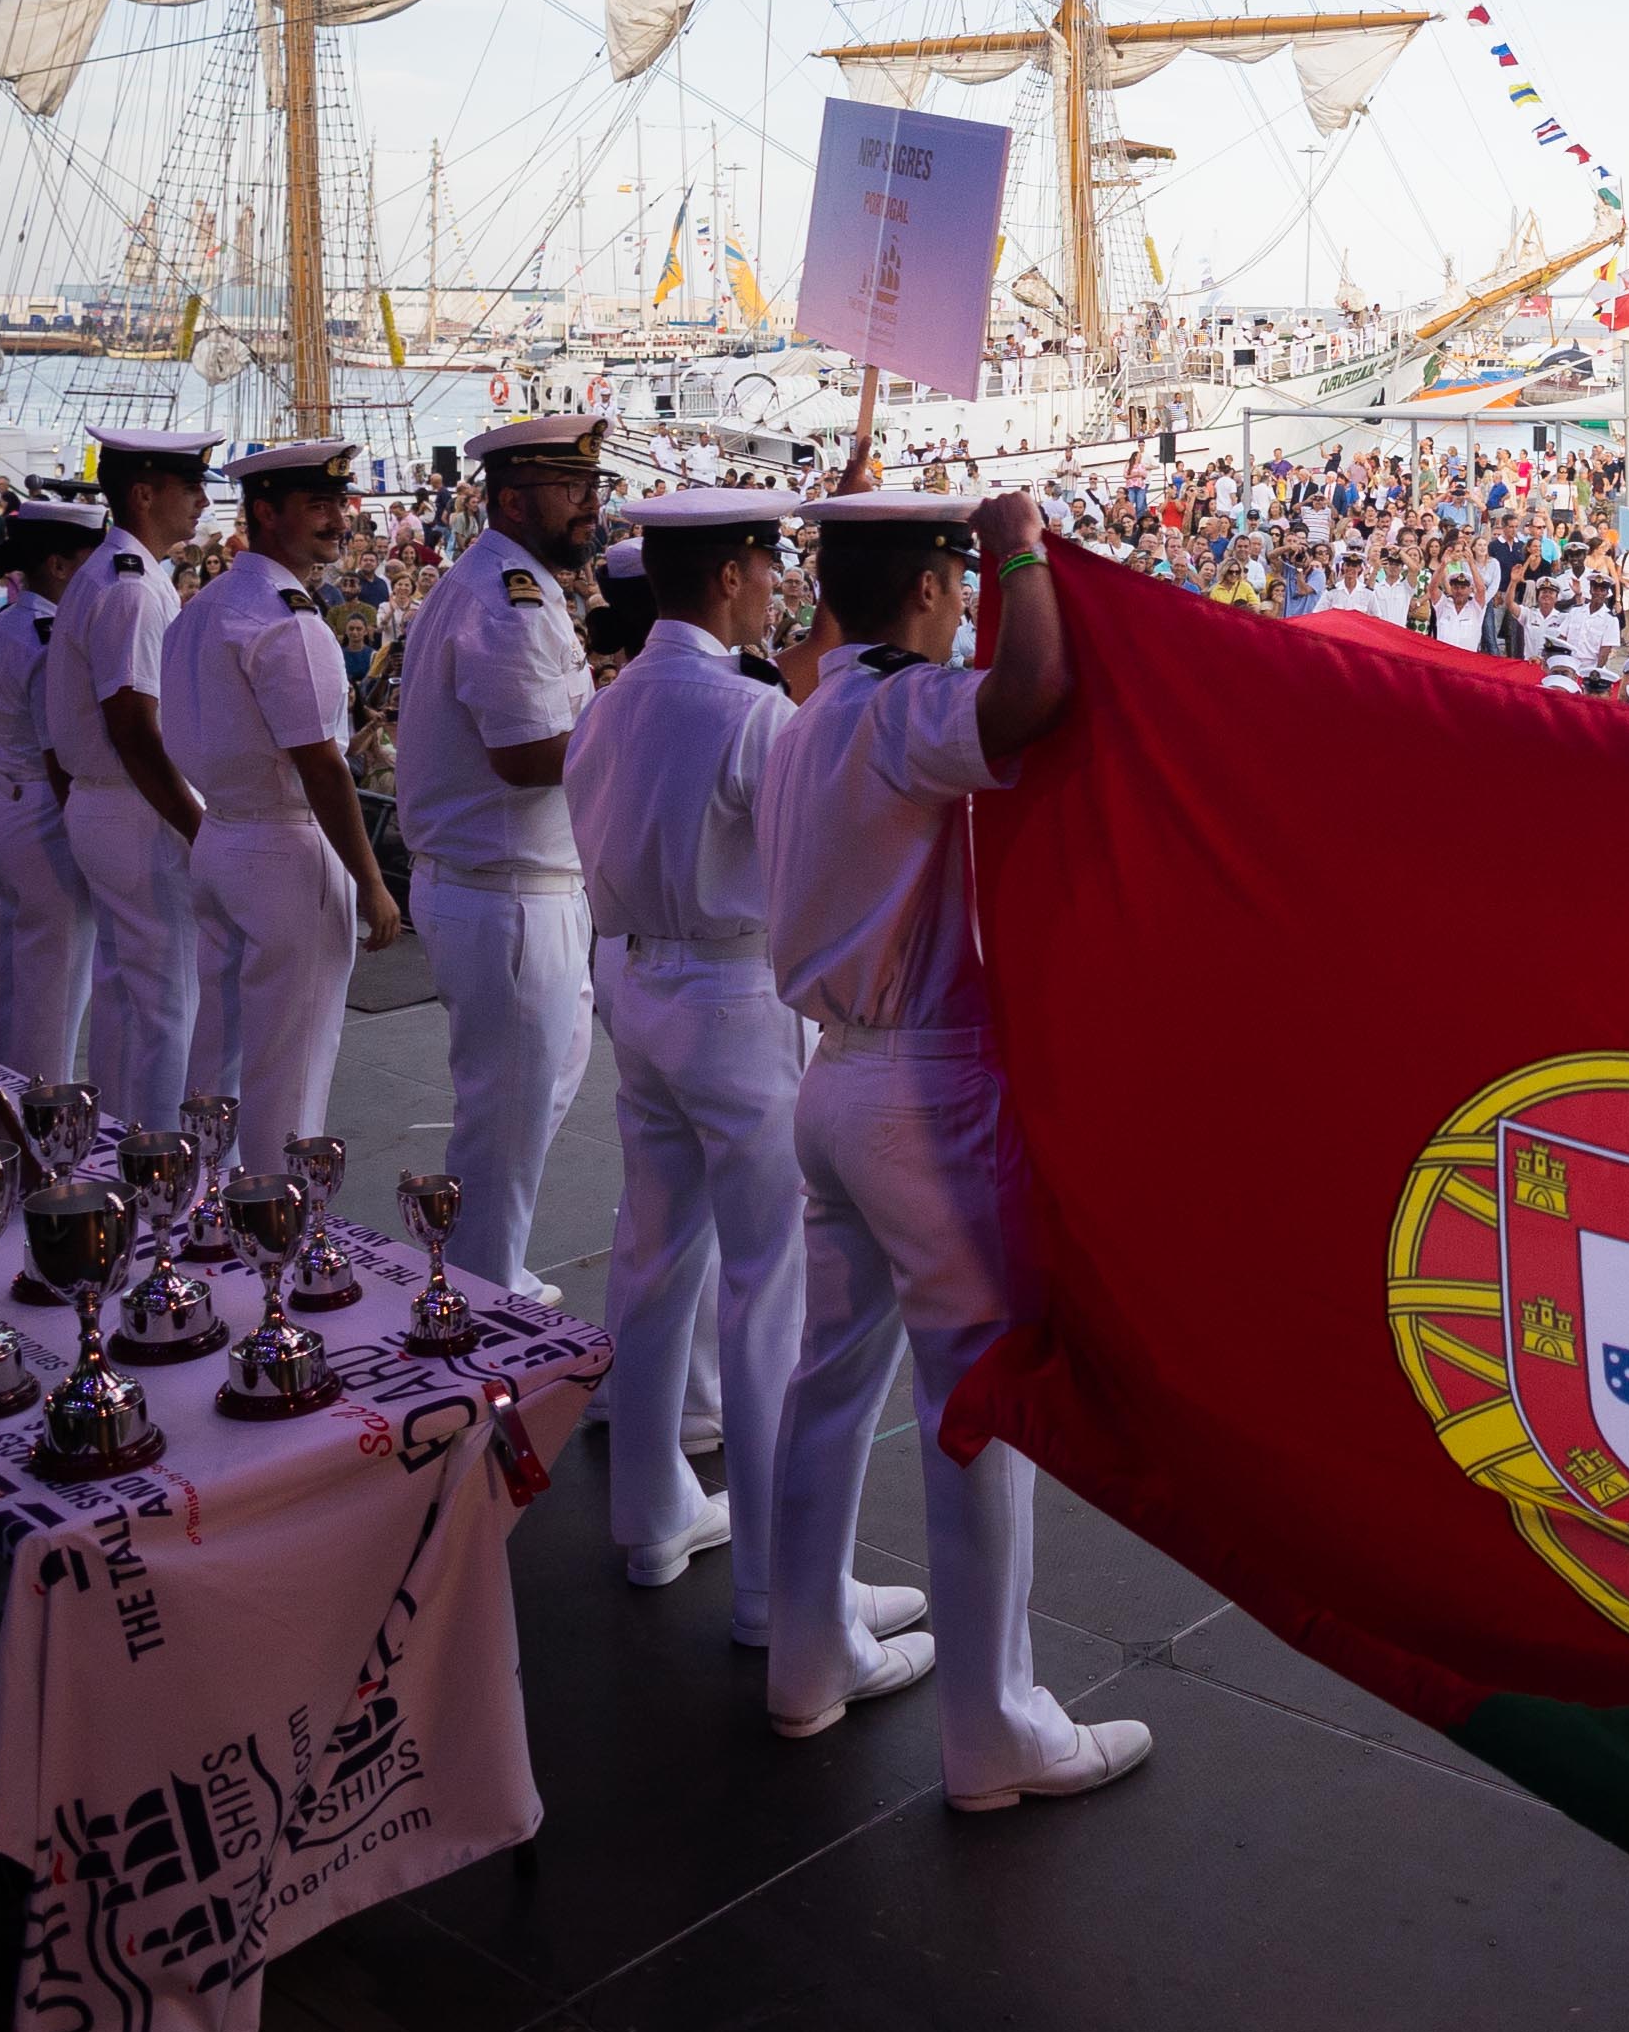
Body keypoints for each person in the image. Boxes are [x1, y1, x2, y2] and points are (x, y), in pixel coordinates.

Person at [758, 487, 1147, 1790]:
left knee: (828, 1383)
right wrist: (1022, 544)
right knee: (976, 1409)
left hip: (829, 1082)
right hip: (919, 1090)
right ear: (931, 589)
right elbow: (1028, 689)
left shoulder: (808, 714)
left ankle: (805, 1659)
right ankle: (997, 1730)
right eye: (958, 584)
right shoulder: (892, 711)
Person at [571, 488, 922, 1676]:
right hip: (728, 995)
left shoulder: (610, 706)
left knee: (654, 1252)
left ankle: (649, 1514)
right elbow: (807, 845)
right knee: (772, 1293)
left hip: (635, 985)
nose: (777, 586)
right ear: (731, 575)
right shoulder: (745, 710)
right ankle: (784, 1589)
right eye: (768, 567)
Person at [400, 418, 605, 1301]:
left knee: (538, 1089)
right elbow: (525, 755)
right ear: (516, 498)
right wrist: (629, 737)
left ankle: (489, 1257)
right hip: (508, 894)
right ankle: (477, 1301)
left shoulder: (514, 586)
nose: (591, 506)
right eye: (574, 489)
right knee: (506, 1110)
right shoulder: (506, 598)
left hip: (522, 886)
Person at [165, 441, 403, 1167]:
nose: (338, 519)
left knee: (223, 1041)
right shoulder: (291, 624)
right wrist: (371, 881)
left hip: (221, 837)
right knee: (290, 1061)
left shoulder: (204, 610)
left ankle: (205, 1201)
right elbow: (324, 768)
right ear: (266, 513)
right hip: (285, 849)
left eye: (339, 504)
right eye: (318, 505)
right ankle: (281, 1233)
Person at [54, 434, 218, 1129]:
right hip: (137, 811)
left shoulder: (110, 572)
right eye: (191, 488)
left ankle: (116, 1147)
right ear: (146, 494)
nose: (204, 502)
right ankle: (157, 1173)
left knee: (124, 993)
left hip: (105, 806)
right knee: (167, 1007)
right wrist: (195, 825)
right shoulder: (133, 589)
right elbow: (134, 725)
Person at [0, 491, 102, 1101]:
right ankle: (43, 1121)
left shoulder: (2, 627)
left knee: (12, 977)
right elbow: (61, 757)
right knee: (55, 990)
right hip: (43, 817)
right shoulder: (51, 639)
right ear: (59, 566)